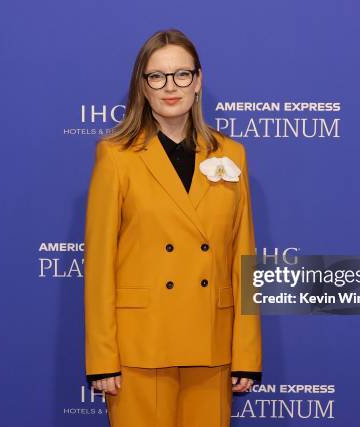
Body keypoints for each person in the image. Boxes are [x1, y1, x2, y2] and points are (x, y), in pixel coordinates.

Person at [83, 28, 262, 427]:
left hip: (211, 347)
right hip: (139, 349)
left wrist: (246, 354)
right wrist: (102, 357)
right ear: (142, 86)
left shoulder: (232, 154)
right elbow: (98, 266)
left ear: (198, 81)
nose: (170, 86)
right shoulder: (115, 157)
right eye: (157, 76)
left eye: (182, 74)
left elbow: (243, 258)